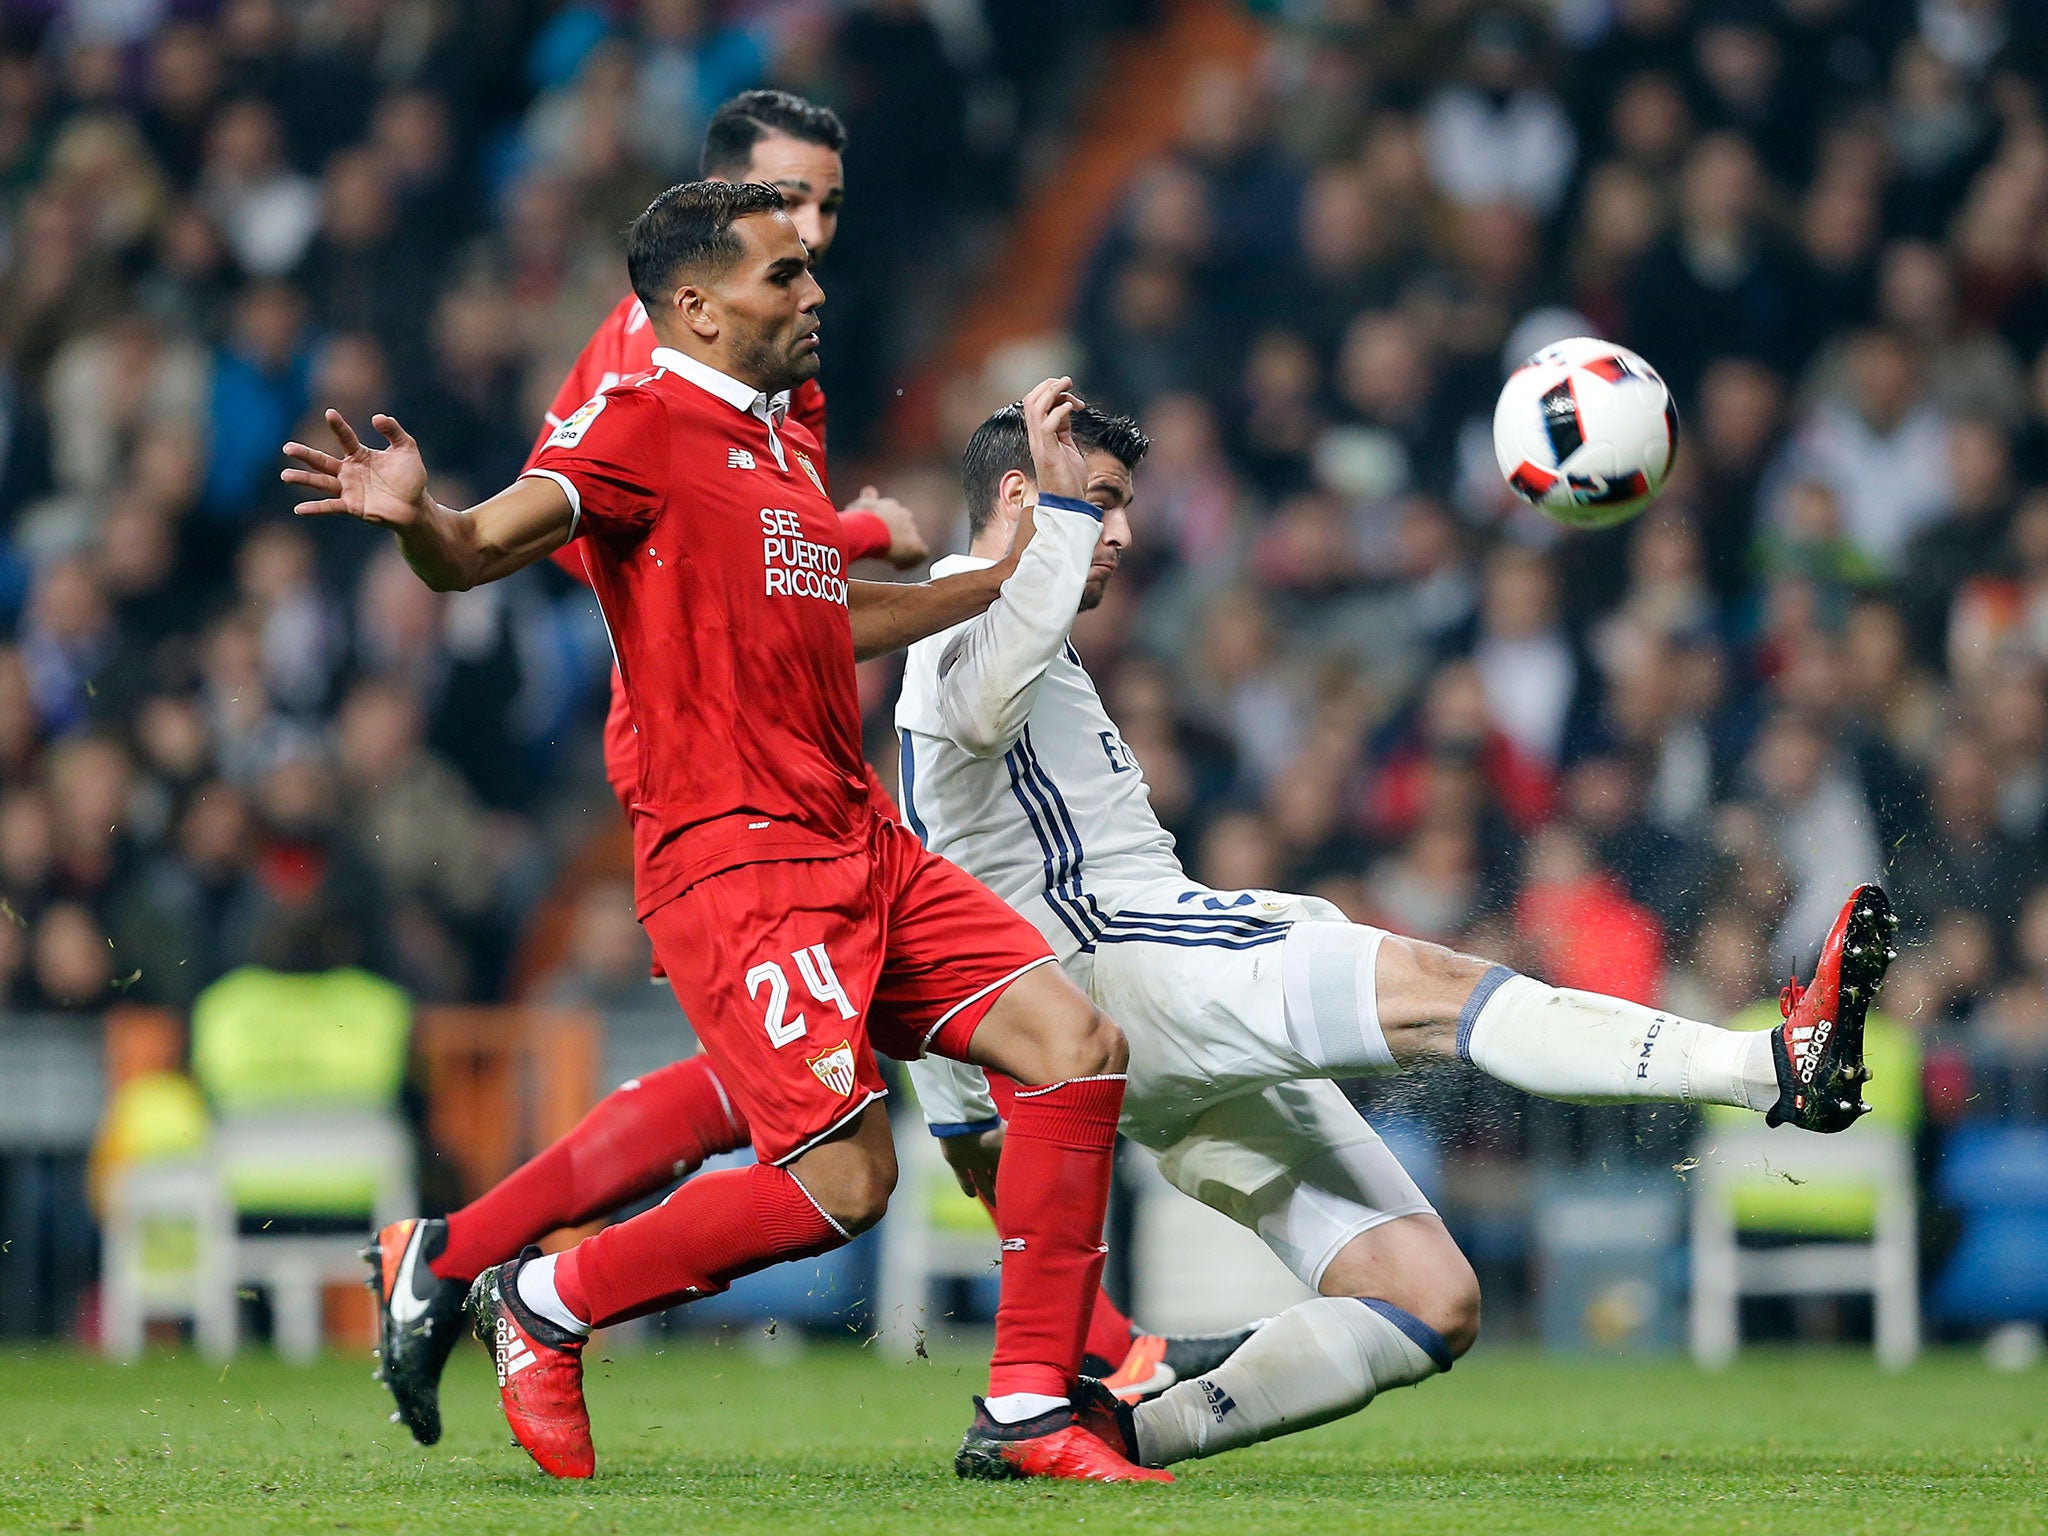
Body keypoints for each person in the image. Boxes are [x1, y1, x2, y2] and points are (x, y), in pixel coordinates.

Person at [363, 90, 1229, 1455]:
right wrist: (422, 521)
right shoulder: (633, 416)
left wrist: (987, 578)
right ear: (700, 307)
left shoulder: (776, 425)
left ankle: (1026, 1405)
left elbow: (813, 609)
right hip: (737, 855)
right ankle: (545, 1292)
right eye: (788, 266)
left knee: (1076, 1050)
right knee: (845, 1179)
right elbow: (481, 545)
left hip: (853, 832)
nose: (819, 279)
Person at [891, 399, 1895, 1472]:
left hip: (1135, 1032)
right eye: (1101, 501)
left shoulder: (1012, 624)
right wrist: (1055, 524)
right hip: (1134, 969)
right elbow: (982, 707)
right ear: (1019, 495)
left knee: (1430, 1301)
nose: (1123, 532)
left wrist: (962, 1119)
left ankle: (1126, 1426)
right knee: (1432, 982)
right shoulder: (962, 609)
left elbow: (942, 898)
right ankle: (1766, 1066)